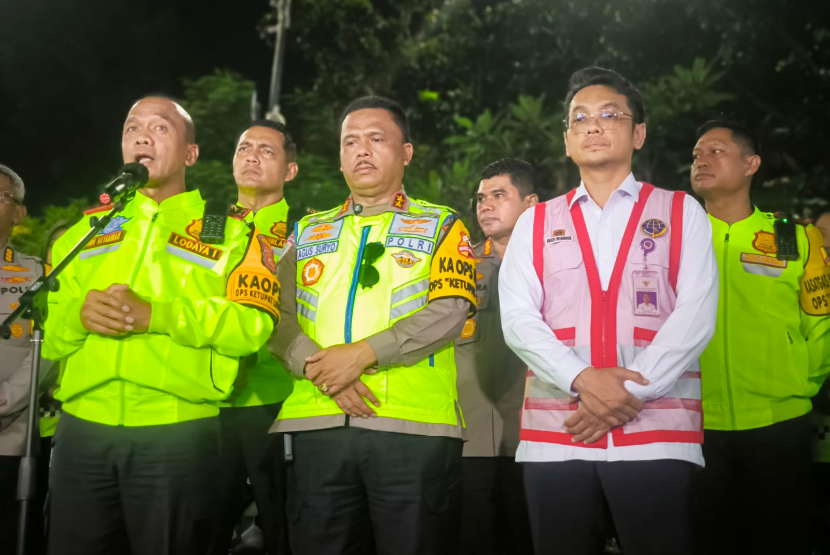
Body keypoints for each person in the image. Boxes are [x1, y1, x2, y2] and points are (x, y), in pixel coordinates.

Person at [42, 97, 280, 555]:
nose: (142, 136)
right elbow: (47, 336)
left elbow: (252, 327)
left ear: (191, 154)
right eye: (132, 127)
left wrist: (160, 315)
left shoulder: (231, 232)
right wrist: (76, 315)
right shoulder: (85, 232)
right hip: (81, 432)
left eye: (160, 127)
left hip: (178, 434)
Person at [499, 67, 718, 555]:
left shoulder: (682, 212)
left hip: (657, 433)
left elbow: (695, 318)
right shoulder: (535, 222)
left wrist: (625, 394)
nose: (593, 126)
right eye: (580, 118)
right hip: (558, 436)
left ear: (637, 133)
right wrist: (584, 380)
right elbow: (518, 319)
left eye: (609, 115)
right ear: (567, 139)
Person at [268, 96, 477, 555]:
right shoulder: (305, 233)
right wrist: (321, 370)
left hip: (413, 429)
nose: (362, 150)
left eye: (376, 139)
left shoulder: (442, 225)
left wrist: (361, 356)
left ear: (405, 152)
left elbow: (450, 309)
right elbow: (274, 317)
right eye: (350, 142)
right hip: (317, 426)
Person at [690, 120, 830, 555]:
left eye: (715, 151)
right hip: (696, 422)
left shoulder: (792, 234)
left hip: (779, 423)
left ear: (751, 164)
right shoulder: (675, 237)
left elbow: (820, 321)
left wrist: (800, 384)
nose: (701, 160)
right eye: (696, 154)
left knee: (780, 540)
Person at [210, 120, 298, 555]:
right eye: (244, 147)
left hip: (275, 397)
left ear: (290, 170)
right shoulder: (204, 226)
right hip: (205, 398)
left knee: (282, 523)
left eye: (266, 151)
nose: (251, 156)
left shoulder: (307, 232)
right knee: (203, 524)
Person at [456, 158, 536, 555]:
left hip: (535, 434)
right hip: (469, 436)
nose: (485, 205)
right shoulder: (460, 267)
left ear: (531, 204)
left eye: (499, 195)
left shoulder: (555, 265)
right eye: (481, 198)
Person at [0, 164, 44, 552]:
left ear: (19, 213)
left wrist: (6, 400)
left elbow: (47, 350)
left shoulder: (36, 276)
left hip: (9, 438)